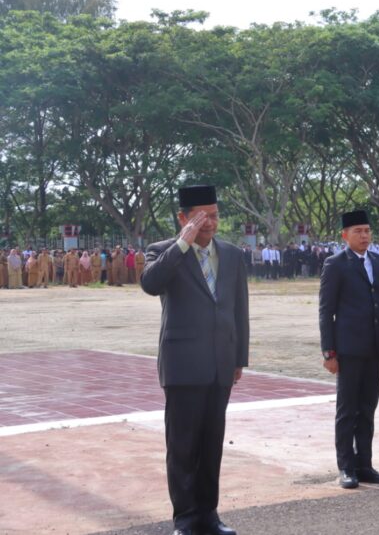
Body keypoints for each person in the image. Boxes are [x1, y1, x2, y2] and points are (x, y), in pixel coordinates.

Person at [140, 185, 249, 535]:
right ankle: (185, 519)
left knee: (211, 443)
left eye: (214, 215)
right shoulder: (163, 251)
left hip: (220, 364)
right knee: (183, 446)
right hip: (183, 365)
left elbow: (239, 310)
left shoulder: (231, 254)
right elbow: (151, 284)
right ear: (183, 217)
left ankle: (209, 515)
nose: (210, 223)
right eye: (201, 217)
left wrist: (239, 358)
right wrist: (182, 243)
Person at [318, 209, 379, 489]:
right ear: (345, 235)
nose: (364, 236)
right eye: (358, 231)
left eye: (367, 231)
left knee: (368, 408)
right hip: (348, 349)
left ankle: (365, 465)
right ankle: (346, 467)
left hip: (375, 347)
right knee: (347, 409)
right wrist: (329, 352)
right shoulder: (336, 264)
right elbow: (326, 310)